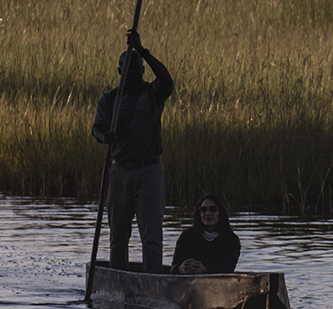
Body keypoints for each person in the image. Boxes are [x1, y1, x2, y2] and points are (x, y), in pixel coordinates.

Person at [91, 29, 175, 271]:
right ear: (119, 72)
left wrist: (142, 50)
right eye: (127, 70)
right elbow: (96, 127)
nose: (132, 74)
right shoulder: (110, 99)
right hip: (119, 173)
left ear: (142, 71)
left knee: (151, 236)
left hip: (148, 171)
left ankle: (152, 282)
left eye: (136, 70)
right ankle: (119, 279)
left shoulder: (152, 94)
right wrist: (105, 136)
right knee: (118, 236)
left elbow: (167, 81)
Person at [171, 194, 241, 275]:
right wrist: (180, 268)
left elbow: (228, 267)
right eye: (203, 210)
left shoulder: (231, 240)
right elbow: (174, 266)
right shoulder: (187, 236)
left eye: (213, 209)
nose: (207, 213)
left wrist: (205, 269)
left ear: (220, 212)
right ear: (199, 213)